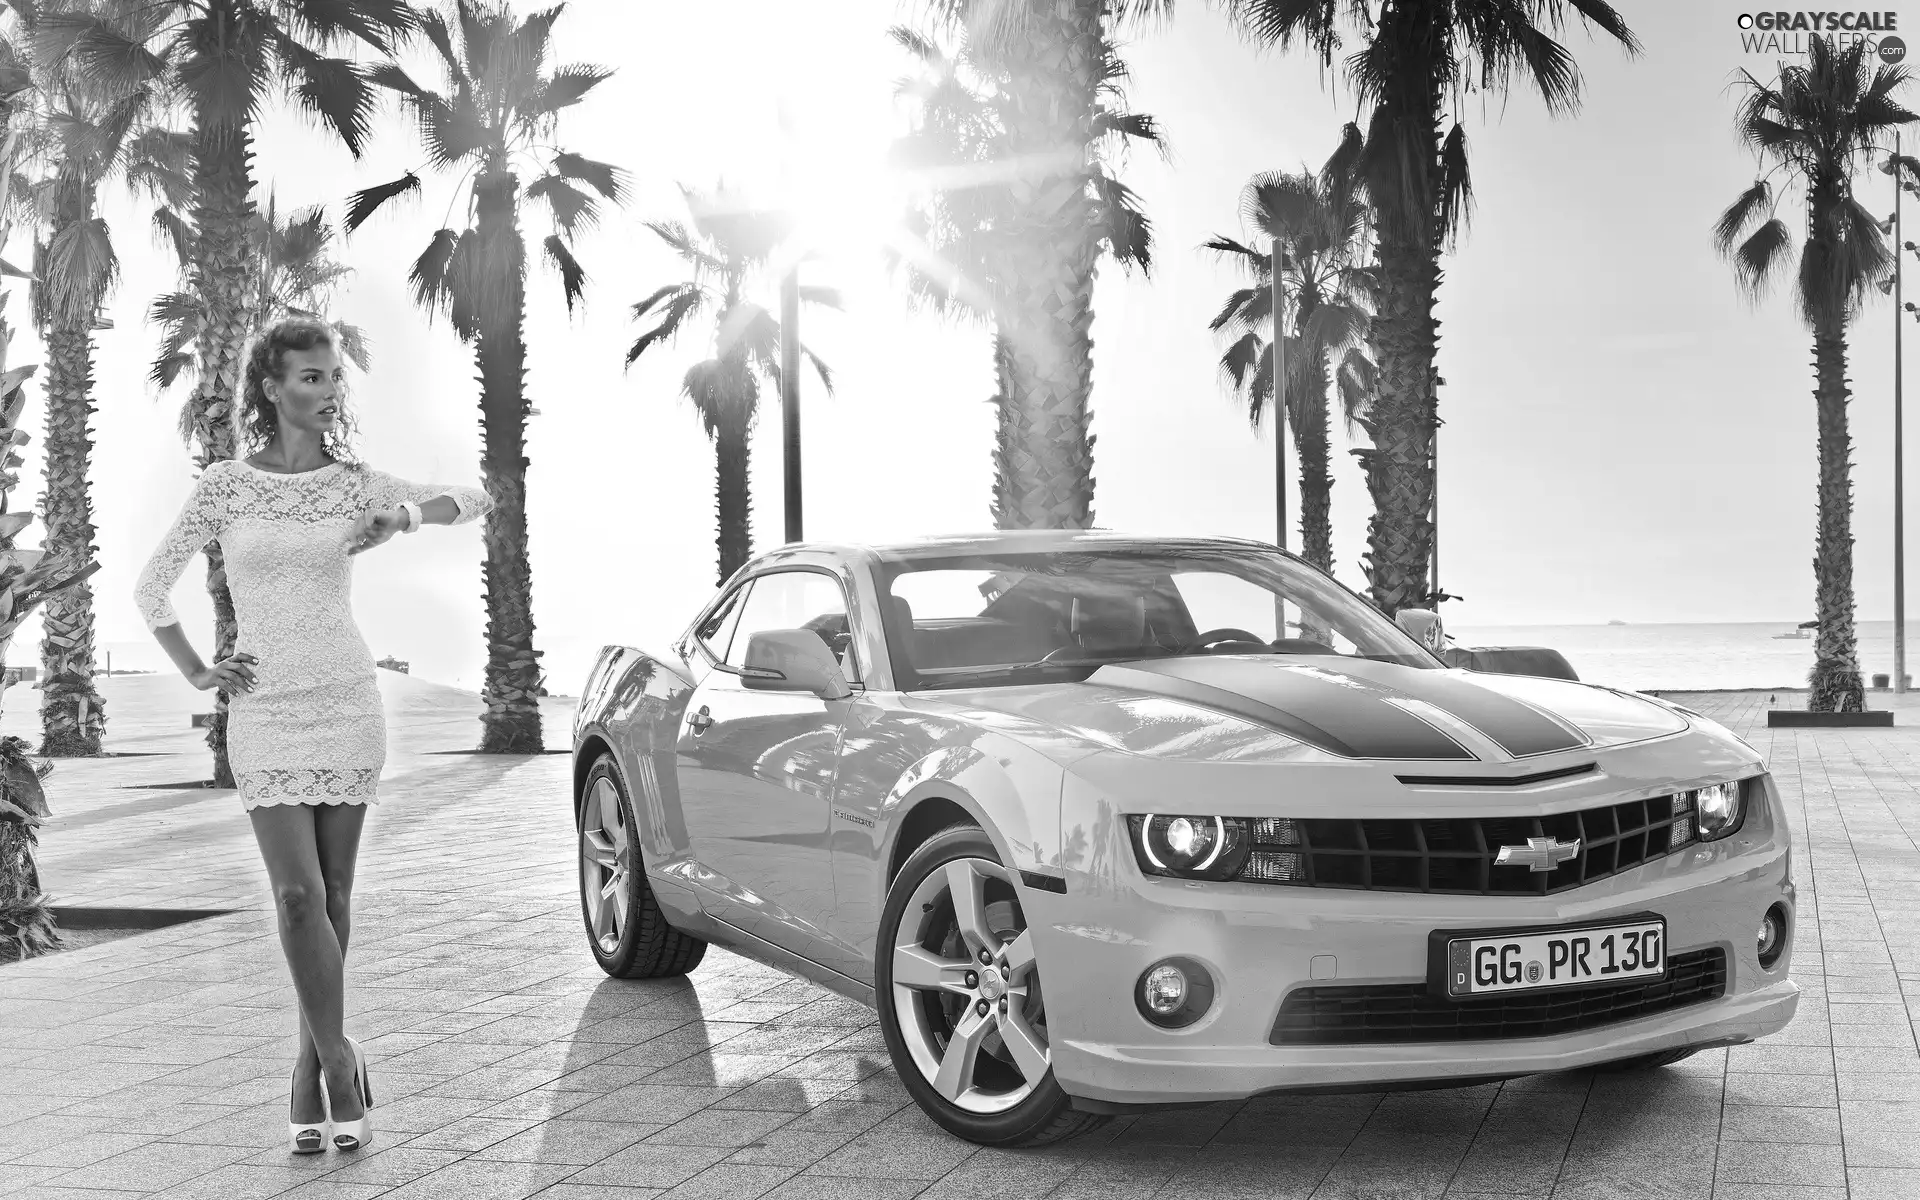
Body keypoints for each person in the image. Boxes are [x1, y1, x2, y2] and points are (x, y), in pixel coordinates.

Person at [134, 318, 492, 1154]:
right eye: (311, 378)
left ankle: (304, 1067)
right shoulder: (226, 486)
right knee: (296, 896)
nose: (329, 392)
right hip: (264, 710)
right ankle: (338, 1059)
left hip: (345, 698)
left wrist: (398, 518)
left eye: (334, 378)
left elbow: (471, 499)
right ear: (271, 388)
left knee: (332, 894)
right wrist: (197, 671)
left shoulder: (351, 483)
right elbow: (152, 587)